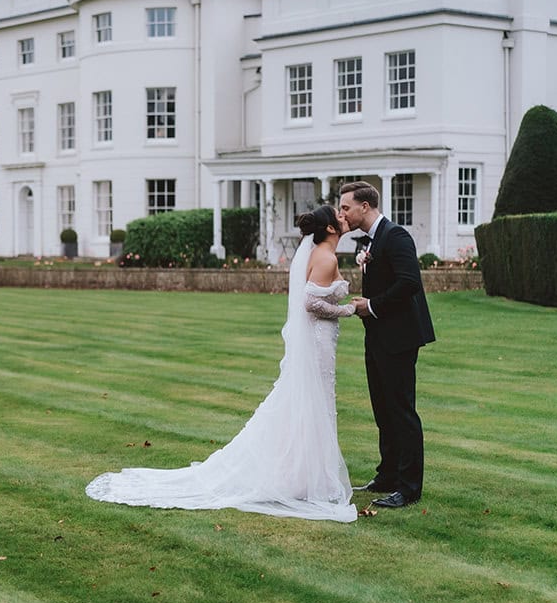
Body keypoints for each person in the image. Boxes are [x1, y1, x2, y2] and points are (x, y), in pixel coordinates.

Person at [86, 206, 358, 521]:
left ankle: (302, 474)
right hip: (318, 339)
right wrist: (347, 311)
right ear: (329, 229)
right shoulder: (326, 258)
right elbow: (311, 303)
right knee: (314, 402)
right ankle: (307, 477)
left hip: (319, 340)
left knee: (310, 403)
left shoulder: (320, 254)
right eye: (338, 216)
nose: (343, 217)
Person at [336, 181, 435, 508]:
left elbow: (409, 283)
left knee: (401, 409)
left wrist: (372, 305)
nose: (342, 213)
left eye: (346, 207)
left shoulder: (396, 236)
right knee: (382, 407)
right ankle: (388, 473)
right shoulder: (367, 242)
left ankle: (409, 487)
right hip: (377, 334)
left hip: (400, 336)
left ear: (365, 206)